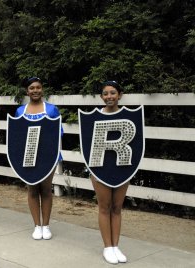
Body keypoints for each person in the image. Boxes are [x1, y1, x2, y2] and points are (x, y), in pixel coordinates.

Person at [15, 77, 63, 240]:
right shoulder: (21, 111)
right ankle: (37, 225)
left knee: (46, 189)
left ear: (42, 90)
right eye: (31, 88)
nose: (35, 90)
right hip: (28, 156)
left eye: (38, 87)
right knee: (32, 189)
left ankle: (46, 225)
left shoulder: (51, 109)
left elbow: (59, 132)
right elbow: (18, 135)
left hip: (47, 155)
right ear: (27, 91)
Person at [90, 80, 128, 264]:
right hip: (100, 167)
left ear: (119, 95)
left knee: (117, 208)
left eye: (113, 93)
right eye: (105, 93)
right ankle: (107, 247)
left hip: (123, 167)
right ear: (101, 97)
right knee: (104, 207)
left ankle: (116, 246)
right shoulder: (95, 117)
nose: (109, 96)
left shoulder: (128, 116)